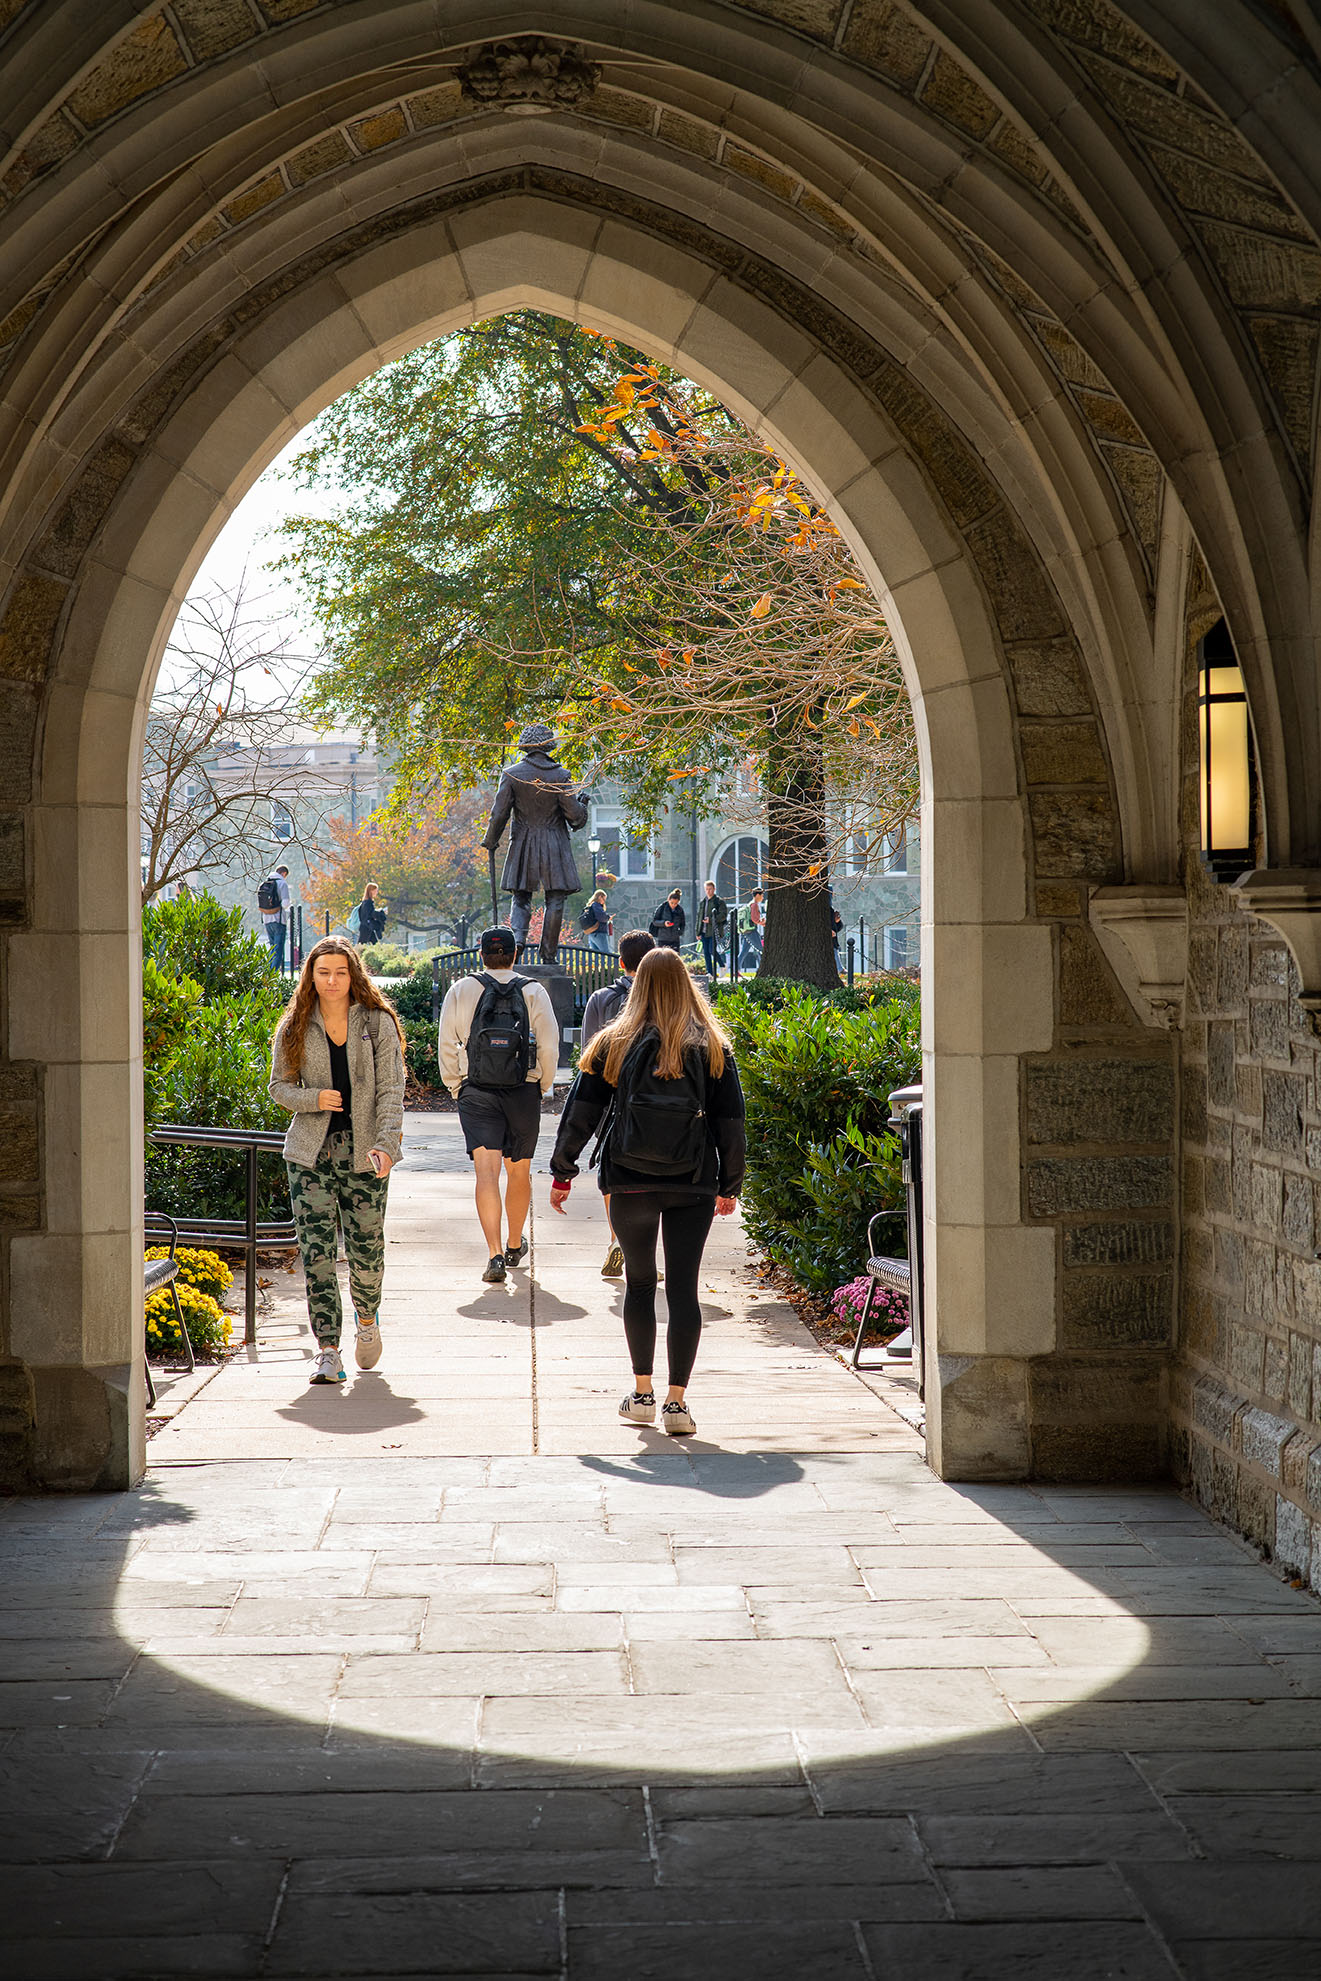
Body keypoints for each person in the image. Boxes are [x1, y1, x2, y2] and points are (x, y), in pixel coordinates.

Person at [548, 946, 746, 1438]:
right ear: (686, 985)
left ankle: (641, 1395)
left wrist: (562, 1170)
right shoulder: (712, 1047)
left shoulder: (613, 1042)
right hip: (693, 1182)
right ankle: (677, 1405)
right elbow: (731, 1123)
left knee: (639, 1286)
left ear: (637, 985)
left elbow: (581, 1113)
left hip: (629, 1179)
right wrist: (730, 1184)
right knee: (683, 1290)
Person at [269, 938, 406, 1385]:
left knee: (367, 1251)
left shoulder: (377, 1023)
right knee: (317, 1254)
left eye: (340, 972)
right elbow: (279, 1087)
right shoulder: (294, 1025)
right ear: (311, 975)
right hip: (310, 1154)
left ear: (354, 975)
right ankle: (327, 1350)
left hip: (365, 1152)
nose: (331, 980)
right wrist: (314, 1099)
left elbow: (391, 1090)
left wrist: (386, 1145)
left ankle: (367, 1320)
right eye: (323, 972)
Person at [438, 925, 559, 1284]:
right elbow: (550, 1048)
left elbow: (447, 1042)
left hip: (476, 1090)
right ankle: (512, 1243)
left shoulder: (462, 989)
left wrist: (455, 1087)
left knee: (486, 1173)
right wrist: (542, 1084)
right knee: (518, 1170)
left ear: (481, 956)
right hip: (523, 1091)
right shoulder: (534, 991)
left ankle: (493, 1256)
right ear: (515, 955)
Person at [580, 928, 655, 1280]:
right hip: (655, 1101)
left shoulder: (601, 998)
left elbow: (588, 1054)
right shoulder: (666, 1000)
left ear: (621, 962)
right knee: (654, 1175)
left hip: (611, 1101)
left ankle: (616, 1239)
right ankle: (644, 1252)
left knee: (614, 1175)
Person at [482, 721, 589, 963]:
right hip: (554, 842)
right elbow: (575, 817)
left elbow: (499, 814)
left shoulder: (511, 774)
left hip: (523, 841)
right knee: (556, 899)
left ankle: (516, 946)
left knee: (520, 897)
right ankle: (549, 955)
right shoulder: (561, 775)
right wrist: (583, 805)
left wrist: (490, 840)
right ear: (548, 745)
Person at [258, 864, 291, 971]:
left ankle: (268, 973)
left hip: (267, 919)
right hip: (279, 919)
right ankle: (273, 974)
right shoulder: (282, 883)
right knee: (278, 949)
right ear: (284, 873)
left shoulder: (264, 883)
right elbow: (285, 903)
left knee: (272, 947)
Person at [696, 880, 728, 980]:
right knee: (706, 953)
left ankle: (722, 965)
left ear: (714, 889)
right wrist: (698, 932)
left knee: (711, 950)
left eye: (710, 889)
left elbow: (723, 916)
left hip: (714, 931)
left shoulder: (719, 902)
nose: (708, 891)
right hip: (704, 931)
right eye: (707, 889)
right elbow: (699, 917)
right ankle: (710, 973)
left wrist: (711, 920)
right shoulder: (702, 902)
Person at [352, 881, 387, 946]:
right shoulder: (368, 902)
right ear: (371, 891)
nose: (377, 892)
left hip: (367, 927)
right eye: (376, 890)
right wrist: (381, 912)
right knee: (361, 946)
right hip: (367, 927)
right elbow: (370, 914)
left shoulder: (366, 902)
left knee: (374, 945)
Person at [579, 889, 612, 954]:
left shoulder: (589, 906)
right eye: (604, 899)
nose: (604, 901)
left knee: (595, 954)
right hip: (599, 932)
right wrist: (608, 917)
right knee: (606, 953)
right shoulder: (596, 905)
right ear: (600, 897)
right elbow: (602, 917)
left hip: (591, 932)